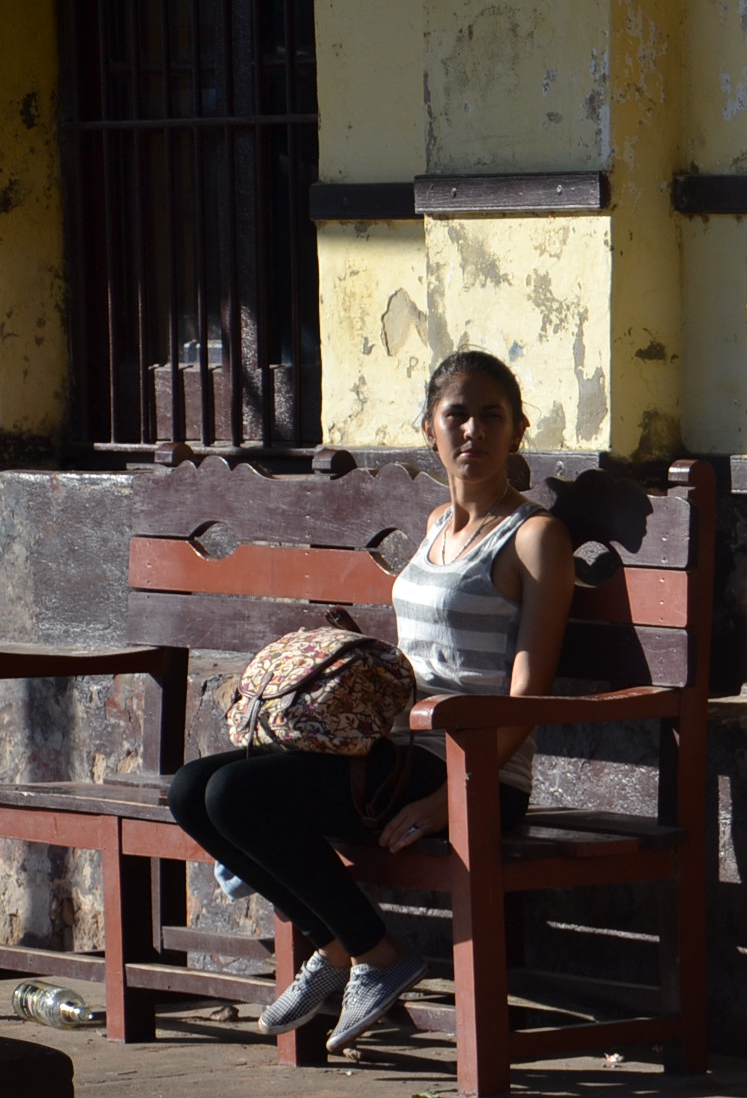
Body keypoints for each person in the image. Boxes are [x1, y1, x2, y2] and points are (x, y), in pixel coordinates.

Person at [170, 351, 577, 1055]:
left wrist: (453, 796)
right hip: (392, 756)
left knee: (236, 796)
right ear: (429, 428)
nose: (474, 431)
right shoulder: (435, 525)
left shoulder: (536, 537)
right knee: (191, 789)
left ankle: (376, 954)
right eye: (457, 415)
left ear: (518, 429)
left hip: (472, 768)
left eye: (492, 416)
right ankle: (339, 946)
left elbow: (527, 694)